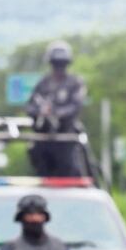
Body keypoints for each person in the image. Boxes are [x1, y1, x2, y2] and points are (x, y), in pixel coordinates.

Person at [26, 41, 88, 176]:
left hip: (67, 136)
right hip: (43, 138)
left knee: (70, 169)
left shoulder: (75, 82)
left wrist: (56, 113)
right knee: (40, 166)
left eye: (62, 64)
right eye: (56, 64)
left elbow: (75, 106)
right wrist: (40, 112)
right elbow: (30, 106)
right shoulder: (43, 83)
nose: (58, 68)